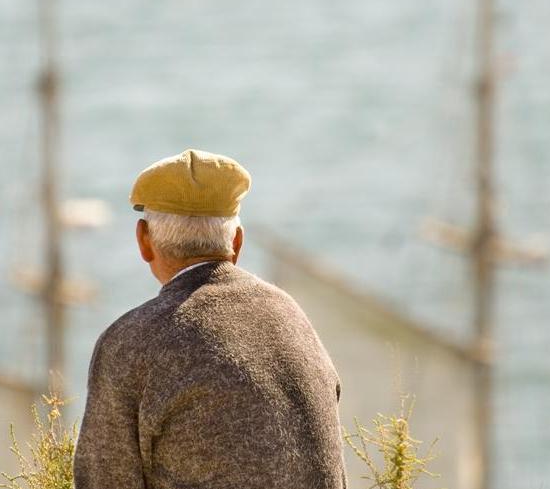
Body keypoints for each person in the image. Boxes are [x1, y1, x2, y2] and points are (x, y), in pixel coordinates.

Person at [74, 149, 347, 489]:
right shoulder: (292, 316)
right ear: (236, 242)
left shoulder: (130, 342)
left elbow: (105, 480)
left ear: (144, 240)